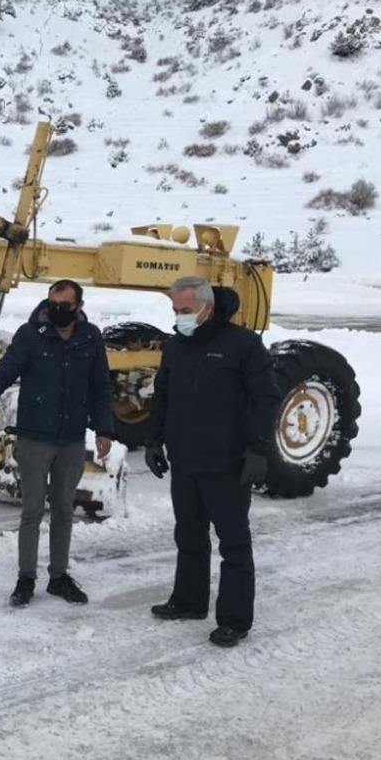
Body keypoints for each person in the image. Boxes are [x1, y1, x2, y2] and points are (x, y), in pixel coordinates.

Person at [0, 280, 115, 607]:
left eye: (65, 306)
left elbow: (100, 384)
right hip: (34, 439)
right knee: (32, 511)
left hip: (71, 439)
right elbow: (1, 376)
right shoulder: (30, 335)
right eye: (53, 304)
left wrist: (104, 430)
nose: (57, 311)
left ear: (79, 307)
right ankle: (26, 578)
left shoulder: (90, 337)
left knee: (64, 509)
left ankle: (59, 577)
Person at [144, 275, 279, 648]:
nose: (179, 317)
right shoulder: (176, 345)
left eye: (185, 310)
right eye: (175, 310)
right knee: (188, 535)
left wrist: (258, 448)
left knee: (233, 543)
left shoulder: (243, 345)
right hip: (185, 460)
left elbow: (266, 398)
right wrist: (153, 440)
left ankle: (234, 619)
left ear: (207, 308)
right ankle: (189, 601)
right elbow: (162, 394)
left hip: (227, 463)